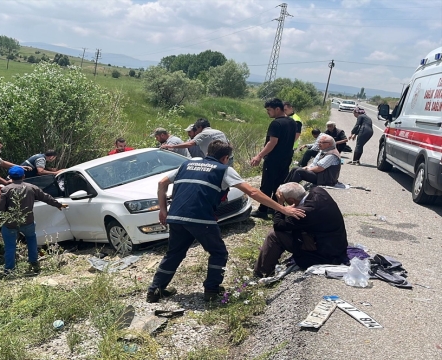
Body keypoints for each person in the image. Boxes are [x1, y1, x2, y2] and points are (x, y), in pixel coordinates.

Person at [147, 140, 305, 303]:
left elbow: (162, 183)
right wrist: (283, 209)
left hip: (176, 216)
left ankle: (155, 290)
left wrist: (163, 209)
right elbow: (252, 191)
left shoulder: (186, 165)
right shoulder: (223, 170)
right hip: (200, 217)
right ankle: (211, 290)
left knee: (174, 253)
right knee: (218, 252)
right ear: (225, 158)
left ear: (208, 153)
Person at [254, 182, 348, 278]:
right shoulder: (319, 191)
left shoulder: (304, 213)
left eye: (286, 200)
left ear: (291, 200)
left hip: (325, 253)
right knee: (288, 228)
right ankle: (268, 264)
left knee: (274, 235)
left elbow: (278, 225)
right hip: (337, 243)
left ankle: (262, 273)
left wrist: (280, 204)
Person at [0, 166, 68, 274]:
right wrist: (58, 204)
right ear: (24, 176)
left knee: (10, 246)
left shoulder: (6, 189)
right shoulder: (31, 187)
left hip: (10, 223)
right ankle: (33, 261)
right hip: (28, 221)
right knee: (31, 240)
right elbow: (45, 197)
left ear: (10, 177)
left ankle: (9, 270)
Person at [249, 98, 297, 219]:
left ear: (277, 109)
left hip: (274, 159)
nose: (267, 112)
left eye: (269, 110)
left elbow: (272, 142)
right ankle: (274, 208)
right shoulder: (292, 122)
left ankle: (263, 210)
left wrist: (259, 156)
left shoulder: (276, 123)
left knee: (266, 185)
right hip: (286, 158)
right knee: (279, 184)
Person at [161, 118, 227, 157]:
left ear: (200, 127)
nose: (197, 132)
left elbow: (189, 144)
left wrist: (171, 146)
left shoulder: (203, 134)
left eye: (197, 129)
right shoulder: (219, 132)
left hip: (217, 160)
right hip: (227, 157)